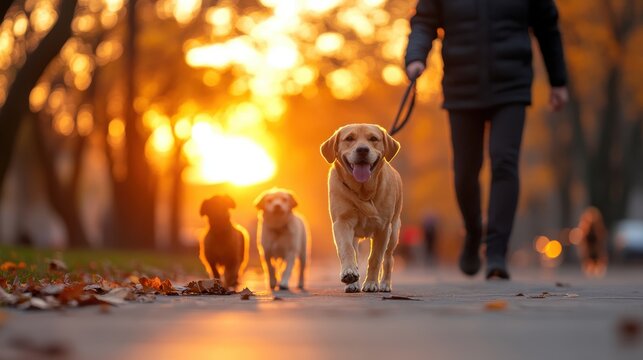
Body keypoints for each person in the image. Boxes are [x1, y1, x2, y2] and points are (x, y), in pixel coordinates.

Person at [405, 0, 569, 279]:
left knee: (504, 162)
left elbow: (547, 26)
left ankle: (496, 252)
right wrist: (416, 57)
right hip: (461, 87)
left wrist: (558, 81)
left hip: (511, 86)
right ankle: (473, 231)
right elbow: (423, 21)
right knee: (465, 172)